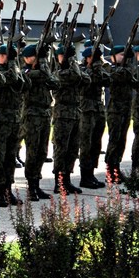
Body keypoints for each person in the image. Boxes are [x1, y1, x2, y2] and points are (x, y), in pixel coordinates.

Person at [0, 44, 29, 202]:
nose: (3, 58)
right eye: (2, 55)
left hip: (14, 119)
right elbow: (10, 78)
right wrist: (13, 63)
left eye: (6, 55)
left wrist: (16, 63)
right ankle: (0, 191)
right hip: (0, 119)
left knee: (10, 156)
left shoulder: (14, 69)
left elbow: (24, 84)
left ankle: (8, 189)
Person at [20, 44, 56, 207]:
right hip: (32, 115)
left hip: (44, 114)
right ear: (28, 58)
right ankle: (31, 187)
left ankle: (37, 184)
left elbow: (53, 80)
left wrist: (43, 59)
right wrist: (42, 60)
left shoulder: (42, 71)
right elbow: (43, 75)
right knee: (33, 151)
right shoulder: (26, 72)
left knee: (42, 151)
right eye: (36, 56)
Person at [52, 45, 86, 195]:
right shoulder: (58, 73)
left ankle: (67, 180)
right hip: (62, 114)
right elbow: (77, 77)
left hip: (75, 112)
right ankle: (59, 182)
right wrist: (72, 62)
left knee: (72, 149)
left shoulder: (73, 70)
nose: (64, 59)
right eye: (62, 56)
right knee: (61, 149)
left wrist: (72, 60)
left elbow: (86, 78)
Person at [78, 45, 110, 189]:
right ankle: (85, 176)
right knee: (86, 144)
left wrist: (98, 65)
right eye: (93, 58)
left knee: (96, 144)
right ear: (87, 58)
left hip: (98, 109)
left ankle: (91, 173)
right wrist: (94, 67)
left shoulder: (99, 69)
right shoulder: (82, 70)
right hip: (86, 110)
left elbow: (107, 79)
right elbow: (89, 80)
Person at [104, 45, 137, 182]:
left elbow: (131, 75)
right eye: (121, 55)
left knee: (122, 140)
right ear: (113, 56)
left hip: (125, 108)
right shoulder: (109, 69)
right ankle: (109, 169)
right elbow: (116, 76)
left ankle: (116, 168)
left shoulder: (127, 68)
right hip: (115, 110)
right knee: (114, 139)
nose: (124, 57)